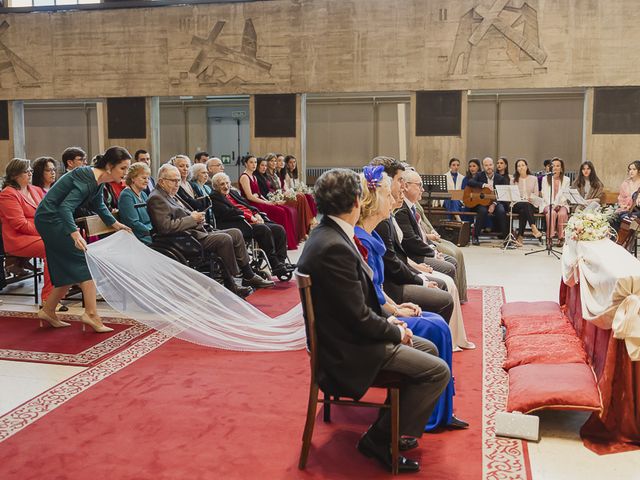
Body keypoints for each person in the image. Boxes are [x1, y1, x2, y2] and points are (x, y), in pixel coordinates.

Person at [296, 168, 451, 473]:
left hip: (348, 336)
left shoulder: (329, 233)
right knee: (437, 371)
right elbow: (357, 317)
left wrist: (391, 317)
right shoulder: (335, 246)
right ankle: (379, 440)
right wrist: (395, 330)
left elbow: (358, 304)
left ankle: (391, 429)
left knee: (428, 350)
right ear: (356, 200)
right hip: (347, 351)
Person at [355, 166, 467, 432]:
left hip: (386, 303)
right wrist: (394, 313)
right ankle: (430, 414)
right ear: (373, 201)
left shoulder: (374, 232)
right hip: (379, 316)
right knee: (435, 325)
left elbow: (376, 288)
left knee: (438, 324)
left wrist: (395, 306)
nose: (394, 197)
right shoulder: (362, 240)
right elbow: (370, 294)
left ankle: (442, 410)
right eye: (387, 192)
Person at [34, 146, 134, 332]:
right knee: (86, 262)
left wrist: (116, 225)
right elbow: (65, 208)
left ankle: (48, 310)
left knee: (67, 272)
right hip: (51, 219)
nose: (125, 173)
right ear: (110, 166)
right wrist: (75, 233)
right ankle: (91, 314)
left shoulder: (99, 180)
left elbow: (99, 205)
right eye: (123, 168)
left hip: (56, 219)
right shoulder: (86, 178)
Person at [146, 164, 273, 296]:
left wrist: (197, 217)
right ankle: (231, 282)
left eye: (178, 180)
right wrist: (192, 219)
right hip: (183, 239)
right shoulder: (157, 198)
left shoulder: (170, 193)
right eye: (174, 180)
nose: (177, 183)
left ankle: (248, 274)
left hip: (195, 231)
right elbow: (166, 227)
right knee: (224, 239)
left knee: (235, 232)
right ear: (161, 181)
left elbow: (185, 213)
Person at [369, 157, 454, 324]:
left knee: (447, 273)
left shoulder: (389, 215)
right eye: (400, 180)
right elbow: (391, 263)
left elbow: (396, 255)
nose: (403, 186)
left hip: (397, 276)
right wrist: (419, 278)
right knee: (444, 296)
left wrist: (418, 271)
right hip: (392, 285)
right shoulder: (381, 221)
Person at [395, 169, 473, 351]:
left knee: (450, 264)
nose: (422, 190)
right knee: (447, 271)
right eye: (419, 186)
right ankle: (449, 336)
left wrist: (430, 250)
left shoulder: (407, 208)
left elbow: (412, 241)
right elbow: (408, 245)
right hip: (415, 259)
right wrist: (422, 272)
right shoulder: (399, 211)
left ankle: (453, 331)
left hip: (415, 258)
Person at [210, 172, 292, 279]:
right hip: (238, 223)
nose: (226, 186)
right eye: (222, 184)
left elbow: (247, 205)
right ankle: (274, 262)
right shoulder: (214, 197)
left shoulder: (233, 193)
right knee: (263, 229)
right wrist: (250, 217)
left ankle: (280, 262)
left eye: (227, 183)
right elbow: (229, 212)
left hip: (251, 219)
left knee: (279, 229)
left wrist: (256, 213)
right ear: (216, 186)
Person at [0, 159, 54, 306]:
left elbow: (47, 214)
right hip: (18, 239)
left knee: (67, 243)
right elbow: (19, 224)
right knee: (52, 248)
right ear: (14, 175)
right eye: (26, 171)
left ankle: (67, 286)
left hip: (37, 234)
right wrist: (46, 231)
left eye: (31, 170)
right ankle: (48, 298)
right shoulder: (8, 194)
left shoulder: (35, 190)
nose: (30, 173)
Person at [396, 169, 457, 280]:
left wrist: (433, 249)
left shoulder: (411, 206)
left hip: (421, 251)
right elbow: (411, 241)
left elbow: (421, 233)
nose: (423, 189)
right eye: (419, 185)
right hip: (414, 255)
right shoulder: (402, 209)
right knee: (449, 267)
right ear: (406, 186)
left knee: (452, 260)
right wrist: (433, 253)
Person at [238, 155, 299, 249]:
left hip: (258, 201)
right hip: (251, 204)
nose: (254, 164)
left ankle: (285, 241)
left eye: (255, 162)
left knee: (284, 209)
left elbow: (258, 193)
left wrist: (270, 202)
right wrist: (266, 203)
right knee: (281, 212)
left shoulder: (253, 176)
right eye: (251, 162)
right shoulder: (244, 177)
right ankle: (278, 242)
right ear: (246, 164)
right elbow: (249, 196)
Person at [265, 152, 314, 239]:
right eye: (277, 161)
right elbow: (276, 189)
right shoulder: (271, 175)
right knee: (300, 197)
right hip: (277, 197)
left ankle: (306, 228)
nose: (279, 163)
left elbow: (283, 188)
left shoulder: (276, 174)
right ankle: (307, 227)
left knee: (303, 196)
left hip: (282, 195)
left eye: (279, 161)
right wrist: (287, 193)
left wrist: (290, 192)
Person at [466, 157, 508, 246]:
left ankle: (505, 238)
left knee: (501, 210)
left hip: (495, 202)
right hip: (482, 202)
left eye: (490, 165)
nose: (488, 167)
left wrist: (493, 204)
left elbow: (502, 195)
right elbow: (470, 182)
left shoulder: (500, 178)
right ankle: (475, 237)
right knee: (482, 210)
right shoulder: (479, 175)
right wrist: (483, 185)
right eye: (486, 165)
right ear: (483, 166)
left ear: (493, 165)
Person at [118, 162, 153, 245]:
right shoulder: (126, 196)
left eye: (148, 178)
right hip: (138, 237)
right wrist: (152, 231)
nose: (147, 181)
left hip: (149, 233)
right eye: (144, 178)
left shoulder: (143, 194)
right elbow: (133, 223)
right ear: (133, 178)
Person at [511, 158, 543, 245]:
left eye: (523, 165)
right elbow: (513, 196)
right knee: (524, 205)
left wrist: (531, 198)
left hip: (530, 203)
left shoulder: (534, 179)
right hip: (517, 204)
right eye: (518, 166)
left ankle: (520, 237)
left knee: (524, 210)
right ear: (516, 168)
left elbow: (536, 194)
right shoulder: (513, 180)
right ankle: (533, 227)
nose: (521, 167)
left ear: (526, 166)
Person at [540, 157, 571, 247]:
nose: (555, 168)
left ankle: (561, 237)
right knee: (551, 214)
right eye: (553, 166)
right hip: (548, 203)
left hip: (562, 204)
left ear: (561, 168)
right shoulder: (545, 179)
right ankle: (549, 237)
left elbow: (565, 194)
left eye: (558, 166)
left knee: (562, 214)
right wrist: (552, 204)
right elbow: (544, 193)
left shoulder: (566, 179)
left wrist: (558, 204)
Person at [611, 160, 640, 230]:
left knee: (624, 218)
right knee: (613, 217)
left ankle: (625, 239)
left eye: (634, 169)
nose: (631, 171)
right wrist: (622, 205)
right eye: (630, 169)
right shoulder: (625, 183)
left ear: (639, 171)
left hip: (637, 211)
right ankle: (616, 238)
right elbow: (620, 198)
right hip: (627, 210)